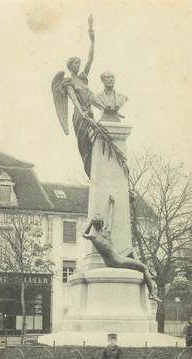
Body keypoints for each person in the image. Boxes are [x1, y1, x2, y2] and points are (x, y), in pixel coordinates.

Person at [51, 15, 127, 178]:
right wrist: (83, 113)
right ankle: (93, 173)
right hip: (80, 116)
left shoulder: (83, 77)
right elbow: (73, 99)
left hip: (90, 112)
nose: (79, 66)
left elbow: (90, 59)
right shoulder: (68, 82)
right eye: (75, 64)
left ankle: (101, 172)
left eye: (79, 63)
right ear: (70, 66)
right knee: (87, 145)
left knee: (97, 143)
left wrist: (92, 40)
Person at [83, 195, 161, 302]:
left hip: (110, 262)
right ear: (102, 224)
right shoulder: (107, 232)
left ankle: (137, 267)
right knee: (143, 267)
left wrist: (91, 223)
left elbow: (84, 234)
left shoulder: (93, 237)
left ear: (95, 225)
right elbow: (110, 218)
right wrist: (112, 204)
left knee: (131, 249)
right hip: (117, 260)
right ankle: (152, 293)